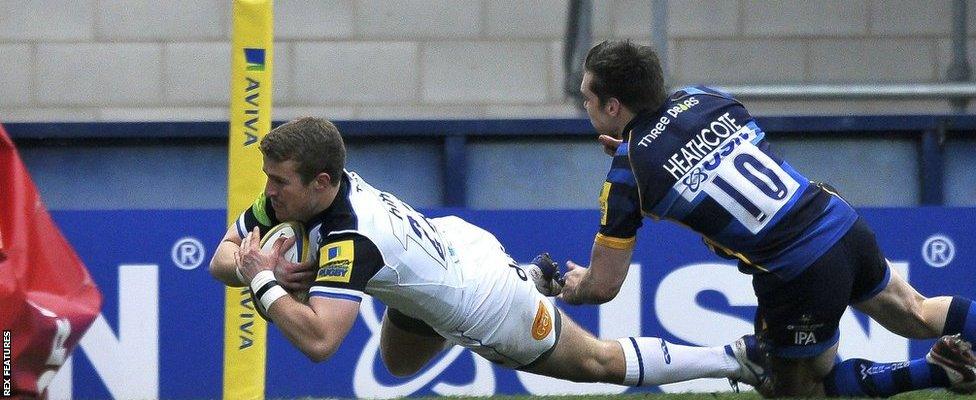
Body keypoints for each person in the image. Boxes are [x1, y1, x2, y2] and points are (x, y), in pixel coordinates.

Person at [208, 117, 769, 391]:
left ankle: (739, 358)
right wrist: (265, 271)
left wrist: (265, 282)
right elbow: (220, 259)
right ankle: (527, 275)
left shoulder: (350, 239)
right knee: (397, 364)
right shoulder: (291, 199)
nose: (269, 190)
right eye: (269, 179)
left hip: (486, 302)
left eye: (279, 180)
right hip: (453, 246)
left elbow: (321, 342)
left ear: (322, 181)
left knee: (599, 363)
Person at [556, 39, 976, 398]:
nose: (585, 106)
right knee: (918, 312)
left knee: (800, 387)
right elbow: (685, 147)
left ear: (612, 106)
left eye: (588, 99)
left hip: (798, 270)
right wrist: (642, 156)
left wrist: (575, 289)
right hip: (840, 221)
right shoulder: (706, 96)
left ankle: (934, 372)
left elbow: (605, 285)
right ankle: (944, 368)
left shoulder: (630, 174)